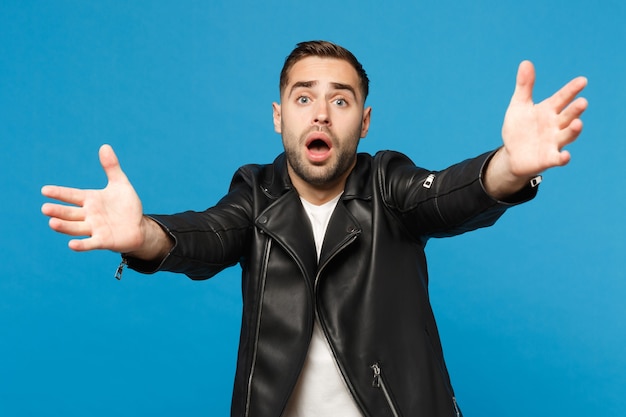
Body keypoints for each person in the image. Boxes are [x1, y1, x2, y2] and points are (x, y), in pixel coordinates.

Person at [41, 40, 588, 417]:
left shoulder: (387, 183)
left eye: (340, 100)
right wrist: (144, 236)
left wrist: (509, 168)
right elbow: (209, 234)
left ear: (364, 121)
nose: (321, 113)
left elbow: (445, 194)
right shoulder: (255, 193)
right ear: (280, 116)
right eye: (304, 98)